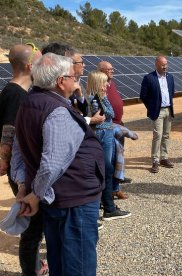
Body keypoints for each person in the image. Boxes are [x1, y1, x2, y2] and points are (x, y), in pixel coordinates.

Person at [14, 53, 104, 275]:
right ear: (60, 81)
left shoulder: (29, 102)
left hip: (58, 198)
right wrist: (35, 193)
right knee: (78, 265)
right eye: (73, 76)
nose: (77, 80)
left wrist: (24, 185)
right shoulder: (56, 111)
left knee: (59, 261)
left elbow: (19, 151)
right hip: (74, 200)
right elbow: (52, 162)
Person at [0, 43, 47, 275]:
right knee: (32, 227)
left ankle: (36, 266)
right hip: (23, 173)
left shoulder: (16, 92)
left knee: (34, 225)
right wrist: (6, 162)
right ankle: (32, 270)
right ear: (30, 66)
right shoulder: (16, 95)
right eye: (38, 62)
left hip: (24, 170)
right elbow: (9, 132)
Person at [86, 70, 131, 219]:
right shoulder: (94, 99)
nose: (107, 85)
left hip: (106, 134)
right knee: (106, 169)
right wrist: (104, 99)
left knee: (108, 167)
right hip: (101, 134)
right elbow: (109, 113)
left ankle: (106, 203)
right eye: (104, 82)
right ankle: (108, 207)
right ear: (98, 83)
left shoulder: (99, 97)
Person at [98, 61, 132, 199]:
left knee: (119, 158)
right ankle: (108, 191)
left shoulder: (112, 83)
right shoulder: (99, 86)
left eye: (112, 69)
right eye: (109, 69)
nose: (112, 71)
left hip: (119, 124)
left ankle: (116, 187)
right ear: (101, 71)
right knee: (110, 160)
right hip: (109, 127)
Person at [140, 55, 175, 173]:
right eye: (162, 64)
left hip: (168, 110)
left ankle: (164, 158)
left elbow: (172, 93)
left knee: (166, 135)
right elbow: (143, 96)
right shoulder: (149, 78)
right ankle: (155, 160)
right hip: (158, 111)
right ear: (156, 65)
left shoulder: (170, 77)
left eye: (166, 64)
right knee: (157, 135)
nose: (165, 67)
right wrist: (151, 107)